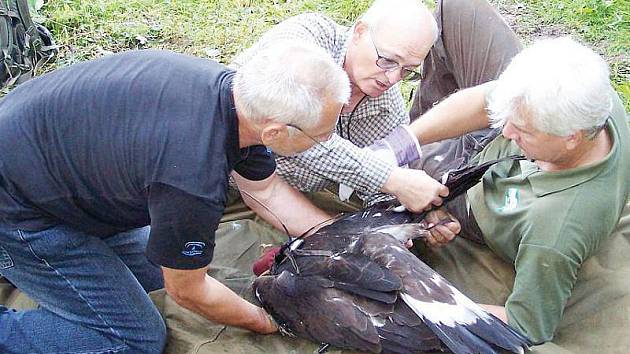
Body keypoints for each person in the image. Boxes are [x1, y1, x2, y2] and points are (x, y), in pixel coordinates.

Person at [0, 41, 355, 353]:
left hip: (51, 172)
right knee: (134, 339)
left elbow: (269, 191)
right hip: (19, 213)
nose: (325, 140)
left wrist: (348, 245)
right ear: (276, 131)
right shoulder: (192, 179)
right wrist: (267, 322)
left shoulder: (237, 98)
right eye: (322, 135)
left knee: (157, 273)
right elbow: (188, 291)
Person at [407, 37, 630, 344]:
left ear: (571, 137)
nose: (506, 131)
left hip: (469, 202)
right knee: (456, 8)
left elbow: (527, 325)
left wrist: (419, 304)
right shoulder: (589, 97)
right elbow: (489, 103)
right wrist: (403, 141)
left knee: (390, 190)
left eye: (523, 130)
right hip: (493, 157)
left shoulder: (554, 232)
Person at [231, 0, 449, 209]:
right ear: (359, 32)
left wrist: (412, 213)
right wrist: (391, 179)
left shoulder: (387, 106)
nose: (393, 78)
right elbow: (293, 131)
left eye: (407, 70)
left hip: (289, 197)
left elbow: (384, 190)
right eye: (388, 60)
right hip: (226, 176)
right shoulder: (306, 39)